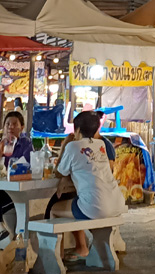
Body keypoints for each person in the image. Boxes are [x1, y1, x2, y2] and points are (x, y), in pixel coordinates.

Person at [49, 111, 127, 261]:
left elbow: (59, 172)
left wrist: (65, 144)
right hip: (117, 202)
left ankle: (57, 257)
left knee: (53, 210)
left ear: (77, 130)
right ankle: (85, 249)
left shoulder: (73, 146)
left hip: (95, 207)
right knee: (79, 201)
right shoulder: (101, 144)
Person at [0, 111, 33, 253]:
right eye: (7, 124)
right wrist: (0, 155)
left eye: (15, 124)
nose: (10, 127)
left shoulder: (26, 145)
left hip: (17, 192)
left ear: (21, 127)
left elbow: (27, 166)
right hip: (0, 191)